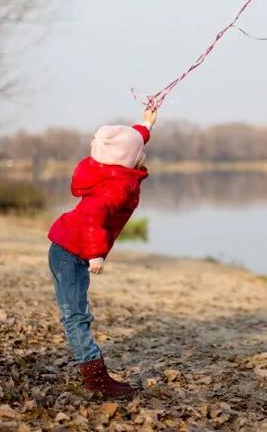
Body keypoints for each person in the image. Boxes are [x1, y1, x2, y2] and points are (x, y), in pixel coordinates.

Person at [47, 108, 156, 397]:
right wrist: (96, 254)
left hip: (66, 246)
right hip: (72, 251)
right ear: (128, 158)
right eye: (140, 151)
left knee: (75, 314)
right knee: (75, 316)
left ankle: (95, 375)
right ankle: (96, 379)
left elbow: (131, 140)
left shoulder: (110, 170)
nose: (144, 153)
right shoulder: (117, 186)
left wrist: (146, 123)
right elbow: (93, 217)